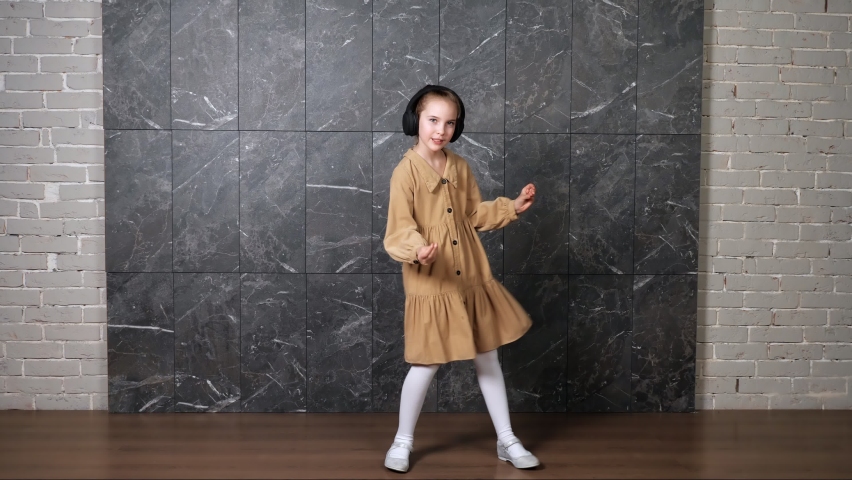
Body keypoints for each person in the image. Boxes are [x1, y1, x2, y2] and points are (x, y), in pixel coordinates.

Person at [382, 84, 539, 473]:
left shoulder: (460, 167)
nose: (441, 130)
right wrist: (418, 250)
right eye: (433, 120)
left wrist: (512, 206)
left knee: (488, 355)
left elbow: (473, 214)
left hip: (470, 274)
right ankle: (402, 441)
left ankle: (507, 439)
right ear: (415, 120)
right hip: (431, 282)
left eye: (450, 123)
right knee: (426, 363)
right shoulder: (405, 173)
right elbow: (399, 229)